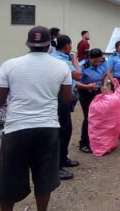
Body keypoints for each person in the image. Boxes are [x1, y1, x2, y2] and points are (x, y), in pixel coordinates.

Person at [0, 26, 74, 211]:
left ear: (28, 44)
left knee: (9, 179)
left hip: (16, 129)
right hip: (48, 128)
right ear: (49, 44)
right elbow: (68, 99)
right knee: (44, 177)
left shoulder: (9, 65)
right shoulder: (61, 66)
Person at [49, 34, 82, 180]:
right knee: (62, 132)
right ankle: (57, 167)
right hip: (61, 98)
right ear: (67, 45)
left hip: (62, 98)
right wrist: (75, 61)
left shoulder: (54, 57)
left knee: (66, 130)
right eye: (70, 45)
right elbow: (78, 75)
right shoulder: (61, 60)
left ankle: (63, 159)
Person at [75, 48, 107, 154]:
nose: (98, 63)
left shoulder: (103, 62)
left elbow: (106, 74)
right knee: (88, 118)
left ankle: (96, 139)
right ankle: (84, 143)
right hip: (85, 93)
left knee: (99, 116)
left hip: (97, 92)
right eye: (95, 61)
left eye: (99, 61)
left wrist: (104, 85)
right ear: (89, 58)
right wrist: (86, 86)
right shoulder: (82, 66)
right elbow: (75, 82)